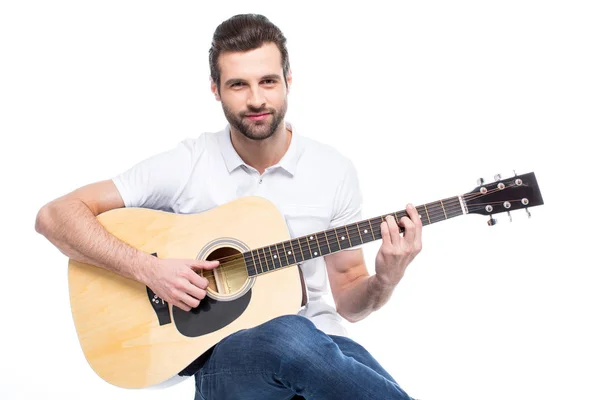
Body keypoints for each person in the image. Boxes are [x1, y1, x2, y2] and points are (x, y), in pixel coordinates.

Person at [35, 13, 422, 400]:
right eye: (238, 84)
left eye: (268, 81)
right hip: (228, 364)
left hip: (321, 349)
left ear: (288, 82)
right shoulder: (188, 163)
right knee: (289, 333)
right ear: (216, 90)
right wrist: (149, 269)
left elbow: (350, 303)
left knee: (331, 355)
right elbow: (55, 215)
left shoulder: (333, 171)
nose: (256, 99)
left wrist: (386, 279)